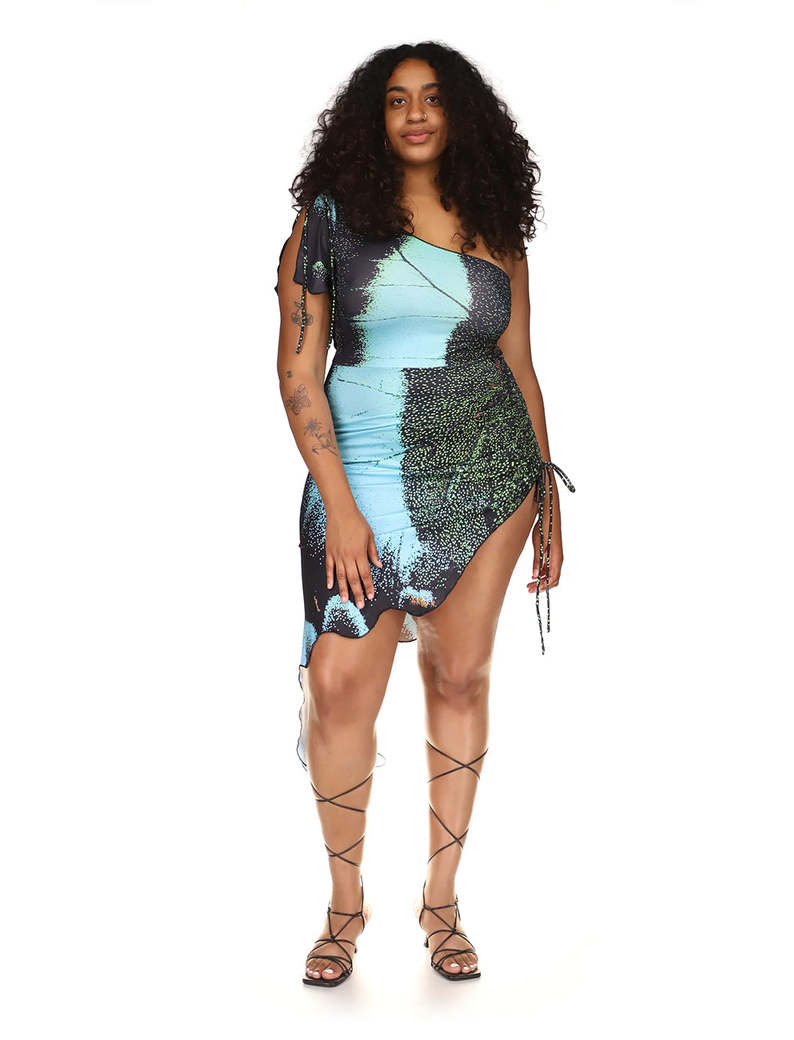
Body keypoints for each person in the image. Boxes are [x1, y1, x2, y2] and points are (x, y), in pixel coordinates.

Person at [274, 41, 575, 987]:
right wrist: (339, 505)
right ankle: (344, 905)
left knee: (459, 675)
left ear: (459, 115)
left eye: (434, 98)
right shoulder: (330, 220)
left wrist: (548, 495)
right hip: (360, 467)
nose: (415, 113)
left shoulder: (496, 222)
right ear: (374, 117)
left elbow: (520, 364)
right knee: (338, 685)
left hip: (488, 470)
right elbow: (296, 368)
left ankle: (442, 905)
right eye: (398, 99)